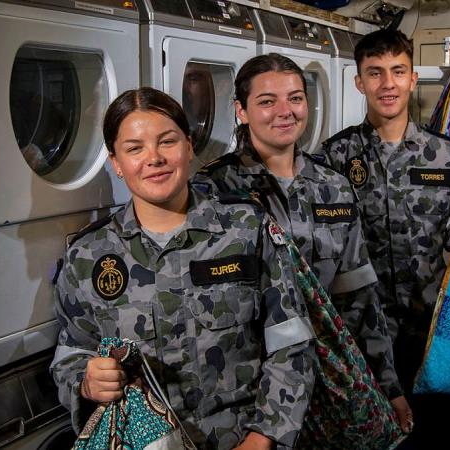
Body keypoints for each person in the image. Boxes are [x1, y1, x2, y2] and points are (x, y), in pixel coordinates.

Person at [50, 87, 315, 450]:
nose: (153, 158)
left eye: (167, 141)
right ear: (116, 162)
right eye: (134, 148)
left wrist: (264, 436)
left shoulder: (245, 229)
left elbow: (292, 342)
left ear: (189, 147)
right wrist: (86, 381)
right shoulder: (87, 257)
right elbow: (71, 355)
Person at [193, 53, 413, 434]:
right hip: (250, 391)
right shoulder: (211, 191)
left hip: (326, 381)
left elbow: (359, 298)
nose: (285, 111)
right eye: (267, 101)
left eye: (295, 98)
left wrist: (388, 384)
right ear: (241, 111)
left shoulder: (333, 187)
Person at [315, 30, 450, 448]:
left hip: (431, 329)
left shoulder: (443, 155)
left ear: (413, 78)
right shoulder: (334, 158)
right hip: (364, 330)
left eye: (398, 71)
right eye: (376, 73)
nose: (388, 84)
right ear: (359, 82)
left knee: (439, 434)